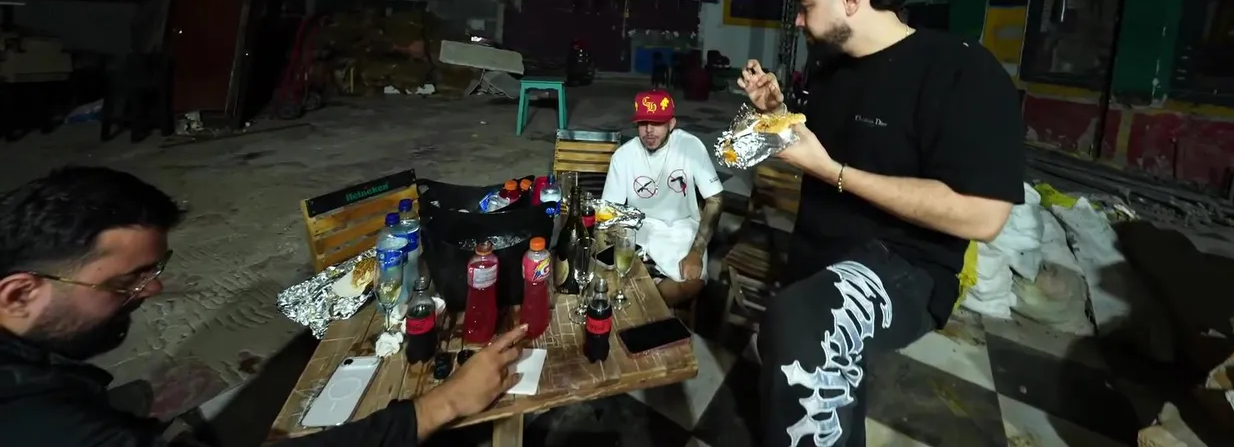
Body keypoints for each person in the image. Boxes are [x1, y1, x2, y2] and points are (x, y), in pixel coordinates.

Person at [0, 166, 528, 447]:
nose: (151, 292)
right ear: (20, 294)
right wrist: (441, 405)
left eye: (152, 272)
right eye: (126, 281)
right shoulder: (41, 423)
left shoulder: (36, 371)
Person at [739, 0, 1024, 447]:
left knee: (803, 329)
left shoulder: (959, 69)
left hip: (906, 263)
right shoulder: (830, 68)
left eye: (806, 7)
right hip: (819, 253)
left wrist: (833, 172)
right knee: (797, 356)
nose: (799, 21)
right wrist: (774, 113)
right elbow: (815, 146)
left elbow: (984, 217)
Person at [601, 90, 725, 307]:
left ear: (671, 123)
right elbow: (609, 211)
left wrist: (697, 251)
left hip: (682, 228)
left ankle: (644, 306)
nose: (649, 130)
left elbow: (715, 199)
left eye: (657, 123)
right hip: (639, 229)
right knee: (608, 273)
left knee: (692, 281)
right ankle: (645, 304)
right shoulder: (623, 156)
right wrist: (618, 239)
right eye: (643, 123)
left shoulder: (691, 147)